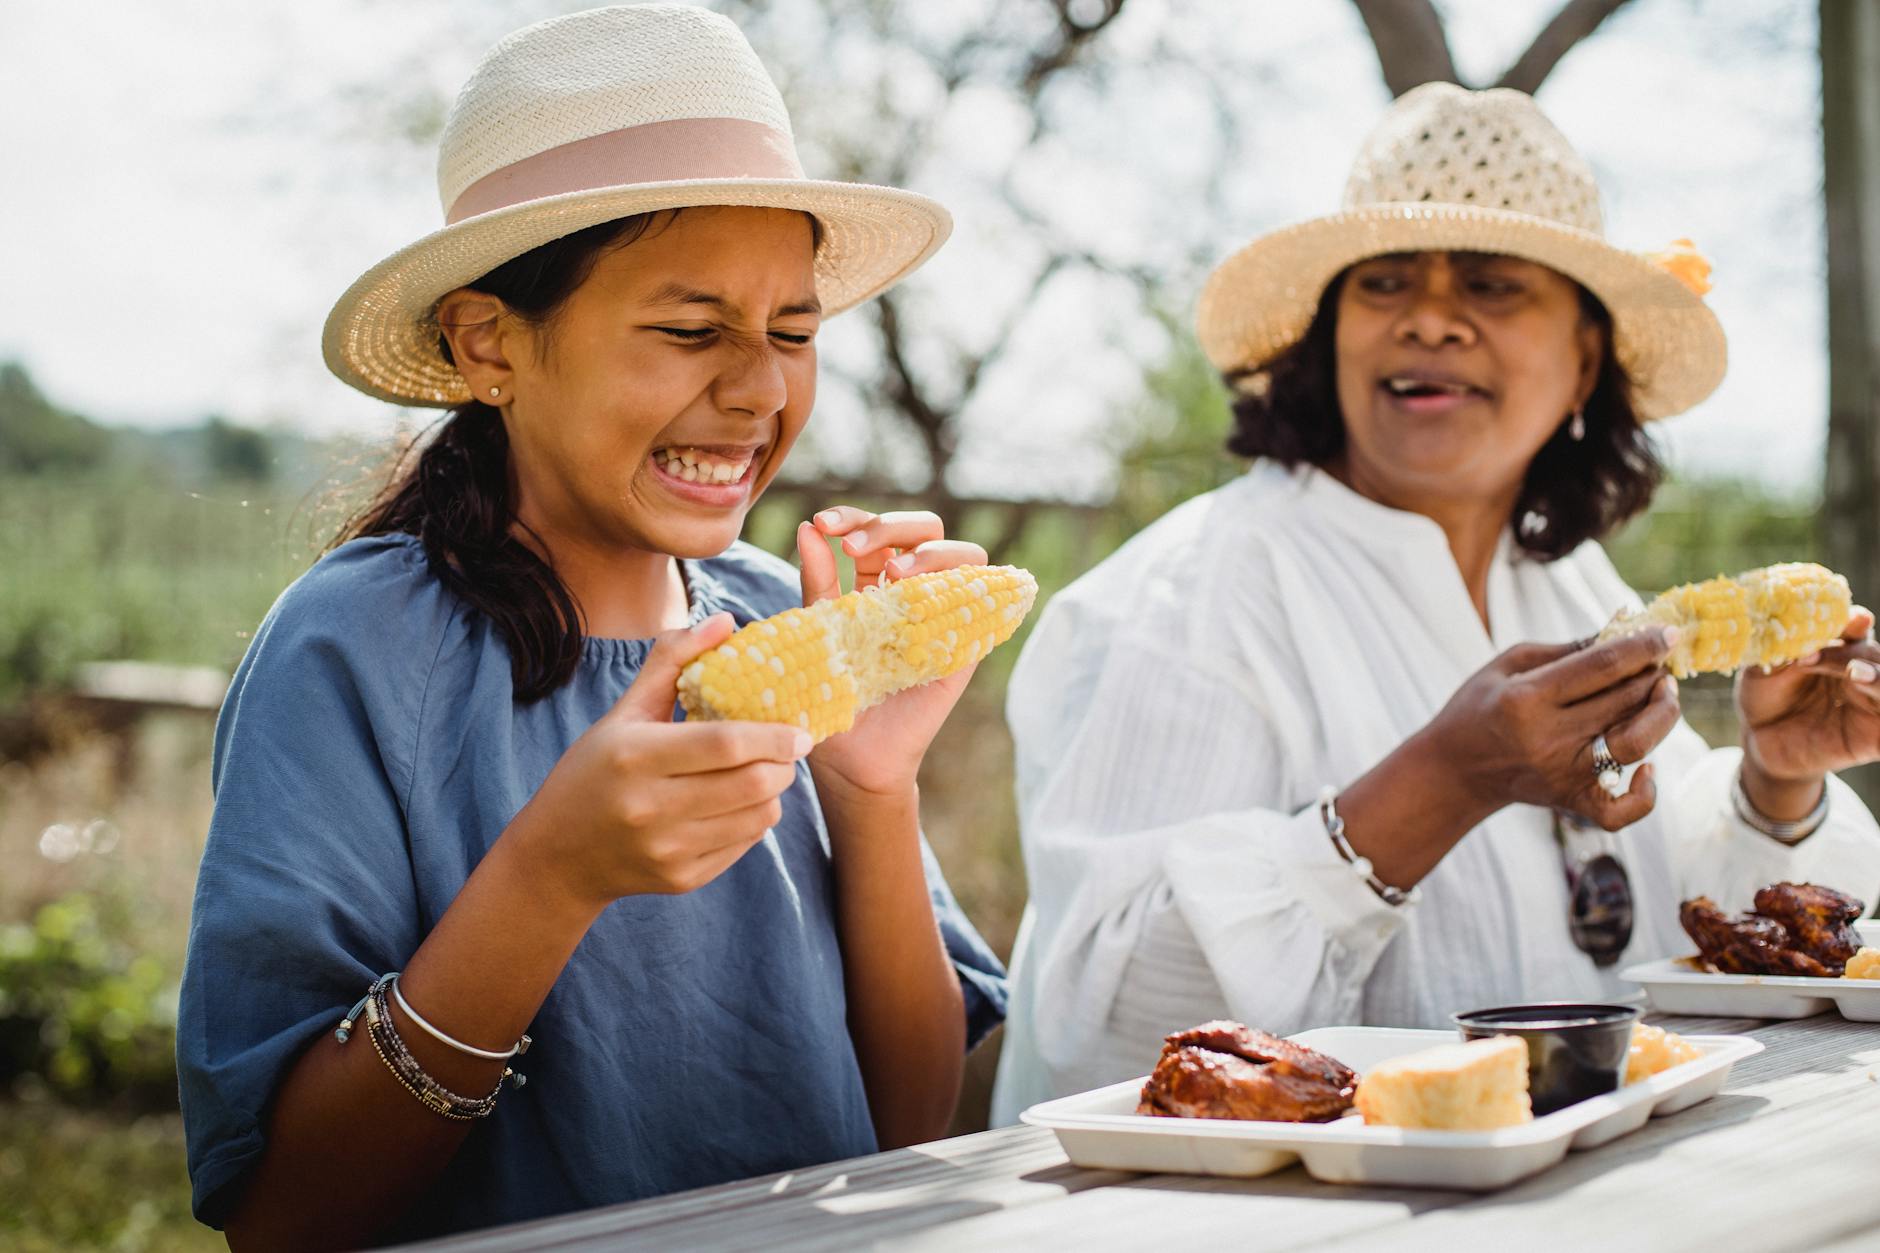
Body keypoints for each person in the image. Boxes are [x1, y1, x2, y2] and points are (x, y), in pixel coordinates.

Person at [176, 7, 1005, 1246]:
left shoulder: (785, 615)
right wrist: (549, 878)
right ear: (487, 341)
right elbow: (283, 1213)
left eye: (792, 330)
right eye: (688, 329)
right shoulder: (351, 651)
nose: (759, 389)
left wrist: (872, 788)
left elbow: (905, 1124)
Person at [990, 83, 1880, 1122]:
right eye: (1384, 282)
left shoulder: (1571, 583)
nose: (1428, 319)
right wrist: (1442, 784)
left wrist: (1775, 782)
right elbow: (1108, 1027)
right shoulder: (1182, 598)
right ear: (1330, 335)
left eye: (1493, 285)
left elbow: (1677, 923)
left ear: (1583, 357)